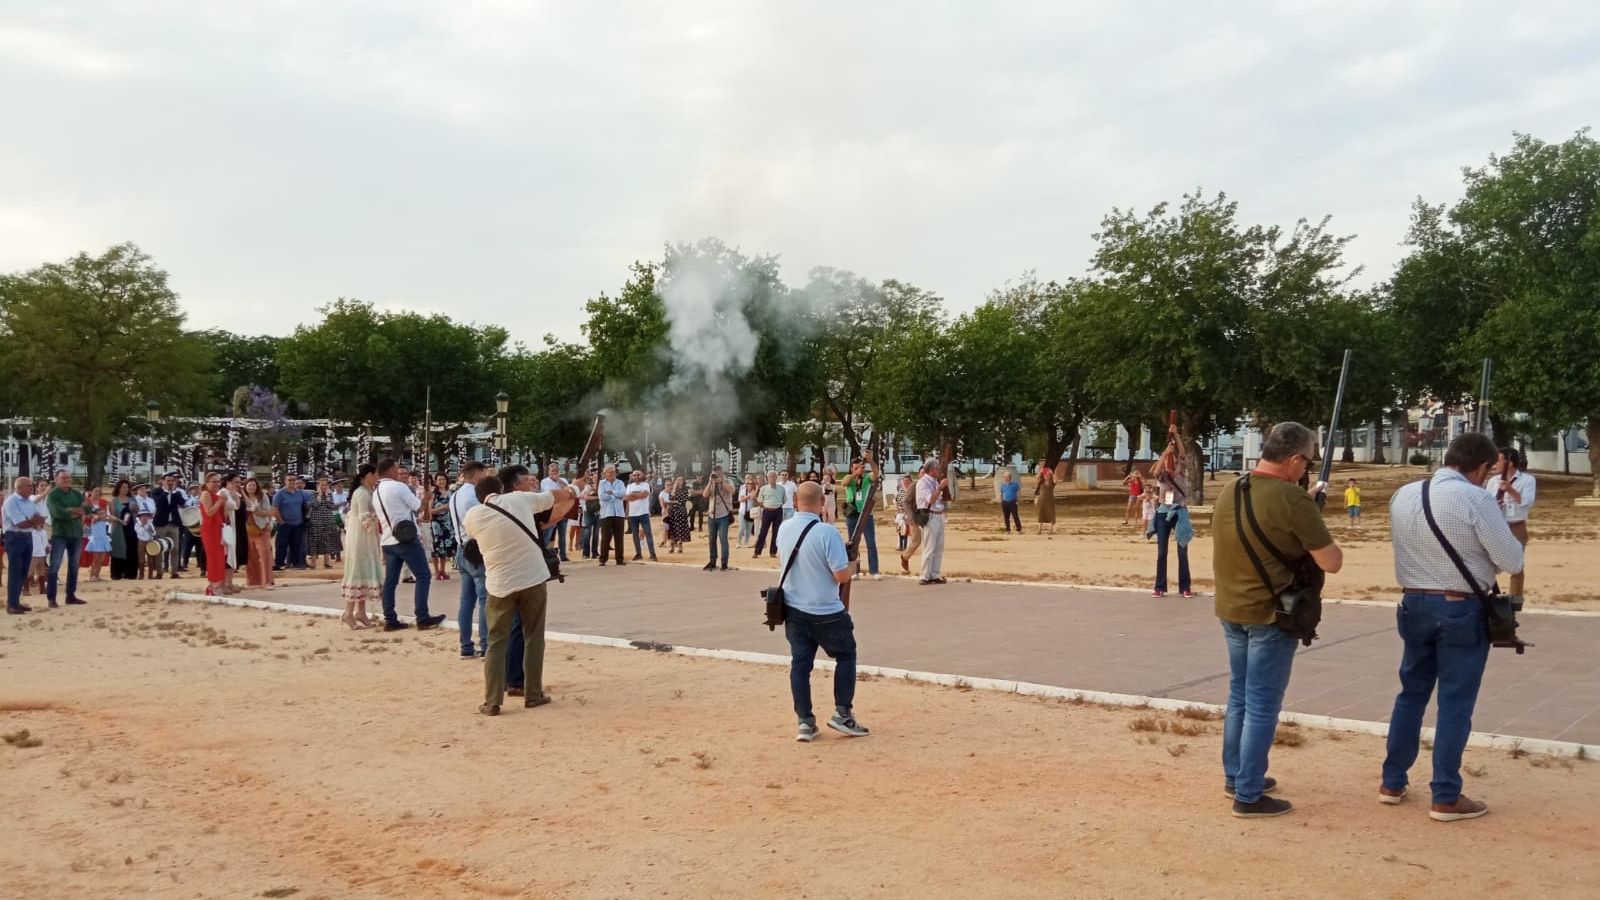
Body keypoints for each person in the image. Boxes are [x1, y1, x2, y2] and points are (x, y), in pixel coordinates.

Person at [1380, 432, 1524, 823]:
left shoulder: (1404, 494)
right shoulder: (1476, 498)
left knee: (1411, 693)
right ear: (1480, 468)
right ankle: (1445, 794)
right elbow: (1511, 560)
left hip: (1412, 602)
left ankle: (1392, 781)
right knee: (1455, 704)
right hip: (1459, 607)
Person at [1211, 422, 1343, 818]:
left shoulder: (1233, 488)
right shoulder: (1292, 500)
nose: (1307, 471)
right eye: (1306, 464)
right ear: (1294, 459)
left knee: (1240, 697)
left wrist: (1305, 499)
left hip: (1232, 609)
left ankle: (1237, 775)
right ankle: (1249, 795)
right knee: (1263, 705)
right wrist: (1309, 509)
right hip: (1272, 615)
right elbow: (1331, 562)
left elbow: (1268, 517)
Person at [466, 472, 575, 716]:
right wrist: (573, 491)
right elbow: (554, 497)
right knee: (534, 637)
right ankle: (533, 694)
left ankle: (493, 701)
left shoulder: (473, 516)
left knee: (496, 642)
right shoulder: (520, 499)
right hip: (533, 577)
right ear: (502, 489)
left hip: (499, 583)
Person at [778, 481, 870, 742]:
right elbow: (841, 575)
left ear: (796, 501)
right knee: (846, 656)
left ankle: (805, 721)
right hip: (826, 610)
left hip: (794, 608)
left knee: (800, 665)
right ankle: (842, 713)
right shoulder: (826, 532)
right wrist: (853, 564)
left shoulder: (784, 528)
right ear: (821, 503)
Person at [373, 457, 446, 631]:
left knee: (391, 580)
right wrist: (426, 498)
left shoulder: (376, 491)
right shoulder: (399, 487)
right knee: (423, 575)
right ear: (391, 470)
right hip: (405, 538)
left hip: (388, 539)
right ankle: (422, 616)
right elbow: (418, 507)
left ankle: (390, 618)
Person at [1483, 447, 1535, 597]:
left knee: (1517, 566)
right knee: (1487, 562)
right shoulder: (1493, 481)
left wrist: (1510, 489)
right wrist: (1495, 504)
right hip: (1497, 526)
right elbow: (1486, 501)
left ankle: (1515, 599)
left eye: (1499, 460)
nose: (1495, 464)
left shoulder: (1527, 480)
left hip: (1516, 527)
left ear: (1509, 463)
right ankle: (1486, 594)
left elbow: (1527, 502)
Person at [451, 461, 490, 657]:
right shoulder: (473, 495)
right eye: (483, 474)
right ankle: (485, 645)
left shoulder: (455, 495)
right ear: (477, 475)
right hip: (475, 548)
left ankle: (465, 645)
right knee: (484, 599)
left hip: (461, 547)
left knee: (466, 601)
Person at [340, 464, 381, 629]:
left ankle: (361, 611)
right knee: (357, 571)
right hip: (360, 538)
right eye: (375, 475)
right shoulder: (362, 493)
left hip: (366, 538)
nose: (377, 478)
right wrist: (380, 516)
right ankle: (348, 613)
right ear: (369, 475)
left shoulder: (367, 492)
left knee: (363, 572)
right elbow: (365, 519)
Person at [1152, 439, 1193, 598]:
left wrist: (1176, 434)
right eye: (1169, 460)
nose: (1171, 463)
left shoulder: (1180, 473)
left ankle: (1185, 587)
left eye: (1173, 460)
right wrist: (1165, 453)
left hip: (1180, 513)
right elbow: (1155, 471)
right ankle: (1159, 586)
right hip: (1163, 513)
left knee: (1182, 552)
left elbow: (1182, 454)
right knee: (1162, 552)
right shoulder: (1162, 476)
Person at [44, 470, 91, 607]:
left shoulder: (76, 494)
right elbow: (58, 513)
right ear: (56, 479)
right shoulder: (52, 495)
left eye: (68, 478)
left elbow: (87, 509)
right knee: (54, 566)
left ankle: (70, 595)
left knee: (74, 566)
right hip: (60, 534)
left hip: (76, 533)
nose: (66, 480)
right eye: (63, 478)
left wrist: (71, 510)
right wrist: (77, 511)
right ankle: (51, 598)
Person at [4, 477, 46, 614]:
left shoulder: (30, 502)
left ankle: (16, 601)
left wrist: (31, 521)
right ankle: (11, 604)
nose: (31, 488)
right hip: (14, 537)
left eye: (31, 485)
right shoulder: (11, 502)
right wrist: (32, 521)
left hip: (28, 536)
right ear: (19, 487)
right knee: (15, 571)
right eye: (28, 486)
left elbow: (40, 518)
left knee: (23, 572)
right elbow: (19, 523)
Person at [841, 454, 881, 580]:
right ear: (851, 468)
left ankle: (874, 570)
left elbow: (876, 474)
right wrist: (855, 473)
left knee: (870, 542)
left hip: (865, 513)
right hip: (852, 513)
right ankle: (854, 570)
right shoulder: (849, 477)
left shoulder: (867, 477)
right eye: (856, 467)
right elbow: (844, 483)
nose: (860, 469)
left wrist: (871, 461)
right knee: (853, 543)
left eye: (861, 467)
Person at [199, 473, 231, 597]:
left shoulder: (218, 495)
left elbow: (225, 515)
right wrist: (219, 502)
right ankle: (213, 585)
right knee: (213, 558)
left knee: (220, 557)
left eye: (218, 481)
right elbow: (209, 512)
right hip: (209, 529)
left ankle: (216, 584)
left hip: (219, 528)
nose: (216, 484)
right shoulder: (206, 494)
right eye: (213, 481)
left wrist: (225, 503)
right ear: (207, 483)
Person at [151, 473, 187, 577]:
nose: (170, 483)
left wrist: (174, 492)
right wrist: (166, 492)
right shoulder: (157, 491)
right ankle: (159, 572)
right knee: (159, 548)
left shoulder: (177, 492)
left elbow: (183, 503)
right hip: (160, 524)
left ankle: (174, 572)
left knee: (175, 548)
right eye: (168, 481)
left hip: (174, 524)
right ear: (163, 481)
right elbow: (158, 503)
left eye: (172, 481)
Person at [271, 475, 309, 571]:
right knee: (281, 545)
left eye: (293, 480)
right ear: (285, 481)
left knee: (296, 544)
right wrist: (281, 522)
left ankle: (296, 563)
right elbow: (275, 508)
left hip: (298, 524)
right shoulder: (280, 494)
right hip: (284, 524)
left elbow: (307, 504)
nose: (291, 482)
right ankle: (279, 564)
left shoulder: (300, 493)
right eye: (289, 480)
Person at [306, 477, 342, 569]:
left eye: (325, 485)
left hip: (328, 520)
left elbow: (332, 506)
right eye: (322, 485)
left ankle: (327, 561)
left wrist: (327, 497)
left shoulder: (329, 494)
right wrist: (319, 495)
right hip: (315, 520)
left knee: (327, 541)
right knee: (314, 541)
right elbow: (314, 505)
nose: (324, 487)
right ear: (318, 485)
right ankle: (313, 562)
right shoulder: (313, 494)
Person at [702, 466, 734, 571]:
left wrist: (722, 481)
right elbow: (705, 495)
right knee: (711, 540)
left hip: (724, 515)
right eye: (713, 474)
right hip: (712, 515)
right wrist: (710, 482)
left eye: (717, 474)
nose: (715, 476)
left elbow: (732, 490)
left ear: (722, 473)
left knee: (723, 539)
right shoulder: (712, 483)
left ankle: (724, 563)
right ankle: (712, 562)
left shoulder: (728, 481)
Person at [538, 463, 572, 563]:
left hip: (562, 510)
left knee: (562, 534)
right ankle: (544, 553)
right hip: (551, 511)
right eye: (552, 471)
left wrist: (559, 481)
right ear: (549, 471)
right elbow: (547, 492)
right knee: (548, 534)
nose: (554, 473)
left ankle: (563, 555)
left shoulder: (563, 481)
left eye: (556, 471)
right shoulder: (544, 481)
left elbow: (568, 490)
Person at [106, 480, 138, 581]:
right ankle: (117, 574)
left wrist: (134, 509)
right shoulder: (114, 501)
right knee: (119, 550)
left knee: (131, 549)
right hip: (118, 527)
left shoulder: (132, 499)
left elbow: (137, 512)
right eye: (124, 487)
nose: (126, 489)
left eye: (127, 487)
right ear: (119, 488)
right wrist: (119, 520)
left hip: (130, 528)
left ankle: (131, 573)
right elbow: (112, 515)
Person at [596, 464, 628, 566]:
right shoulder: (602, 483)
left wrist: (612, 492)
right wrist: (615, 496)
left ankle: (619, 559)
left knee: (619, 537)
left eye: (613, 472)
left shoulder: (620, 482)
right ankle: (603, 559)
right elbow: (602, 496)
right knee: (606, 537)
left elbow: (623, 494)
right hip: (606, 513)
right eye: (609, 472)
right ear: (605, 473)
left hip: (619, 513)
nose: (611, 474)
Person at [428, 473, 458, 580]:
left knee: (445, 547)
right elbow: (429, 511)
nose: (441, 482)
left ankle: (443, 570)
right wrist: (443, 508)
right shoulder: (433, 494)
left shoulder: (451, 493)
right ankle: (436, 571)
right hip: (437, 524)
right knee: (436, 547)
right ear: (436, 481)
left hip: (448, 523)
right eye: (439, 480)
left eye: (443, 480)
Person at [624, 469, 657, 561]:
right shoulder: (629, 486)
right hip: (633, 513)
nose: (636, 476)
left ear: (642, 476)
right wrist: (637, 495)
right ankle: (638, 554)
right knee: (635, 535)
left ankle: (652, 554)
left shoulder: (646, 485)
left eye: (638, 475)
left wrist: (633, 495)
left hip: (643, 513)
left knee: (648, 533)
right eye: (634, 475)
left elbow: (645, 495)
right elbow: (627, 498)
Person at [753, 470, 785, 558]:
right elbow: (759, 501)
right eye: (770, 477)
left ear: (776, 477)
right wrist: (766, 505)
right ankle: (757, 551)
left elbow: (784, 500)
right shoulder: (763, 489)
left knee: (776, 532)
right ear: (767, 478)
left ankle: (773, 552)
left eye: (773, 476)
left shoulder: (781, 489)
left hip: (778, 511)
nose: (772, 478)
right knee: (763, 531)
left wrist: (776, 505)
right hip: (767, 511)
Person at [897, 471, 922, 573]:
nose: (906, 483)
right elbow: (903, 502)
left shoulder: (924, 485)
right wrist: (909, 515)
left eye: (908, 481)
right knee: (916, 540)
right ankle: (905, 557)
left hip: (924, 516)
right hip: (913, 517)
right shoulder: (912, 487)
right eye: (904, 482)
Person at [661, 476, 690, 554]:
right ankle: (672, 546)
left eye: (680, 480)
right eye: (677, 480)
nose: (678, 481)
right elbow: (671, 498)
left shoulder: (685, 490)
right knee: (672, 529)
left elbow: (682, 500)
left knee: (680, 529)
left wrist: (674, 501)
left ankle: (680, 546)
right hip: (672, 511)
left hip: (681, 511)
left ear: (683, 481)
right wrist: (674, 489)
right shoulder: (673, 490)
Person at [85, 504, 112, 581]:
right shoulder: (94, 519)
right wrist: (98, 516)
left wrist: (106, 516)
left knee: (101, 560)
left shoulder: (104, 520)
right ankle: (92, 575)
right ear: (96, 514)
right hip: (97, 541)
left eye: (103, 513)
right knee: (95, 559)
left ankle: (97, 575)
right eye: (101, 513)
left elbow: (111, 519)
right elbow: (94, 518)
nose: (103, 515)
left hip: (103, 540)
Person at [134, 510, 160, 580]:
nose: (145, 518)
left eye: (146, 516)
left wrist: (151, 530)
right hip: (141, 542)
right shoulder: (137, 525)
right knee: (141, 559)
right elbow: (140, 533)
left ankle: (150, 575)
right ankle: (141, 575)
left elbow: (154, 533)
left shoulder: (150, 524)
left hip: (149, 542)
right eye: (143, 516)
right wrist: (144, 526)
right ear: (139, 518)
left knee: (150, 559)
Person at [1034, 465, 1058, 536]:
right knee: (1040, 514)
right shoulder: (1041, 481)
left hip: (1049, 500)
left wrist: (1052, 473)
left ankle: (1051, 530)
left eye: (1048, 474)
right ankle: (1039, 530)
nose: (1046, 475)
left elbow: (1056, 480)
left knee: (1051, 514)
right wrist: (1041, 471)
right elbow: (1036, 477)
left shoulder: (1052, 482)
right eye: (1045, 474)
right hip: (1041, 500)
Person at [736, 473, 757, 549]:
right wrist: (748, 496)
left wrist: (753, 496)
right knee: (742, 527)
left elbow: (754, 498)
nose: (749, 483)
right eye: (747, 480)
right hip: (742, 511)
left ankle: (746, 542)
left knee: (749, 528)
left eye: (750, 481)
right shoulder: (743, 488)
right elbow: (740, 499)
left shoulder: (755, 489)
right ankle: (738, 542)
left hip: (751, 511)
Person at [999, 468, 1022, 533]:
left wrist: (1017, 500)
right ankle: (1008, 530)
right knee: (1006, 517)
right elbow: (1001, 493)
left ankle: (1019, 529)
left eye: (1006, 477)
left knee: (1015, 516)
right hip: (1005, 502)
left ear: (1010, 477)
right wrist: (1001, 501)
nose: (1004, 478)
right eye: (1004, 477)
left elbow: (1018, 492)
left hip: (1013, 502)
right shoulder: (1003, 485)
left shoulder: (1015, 484)